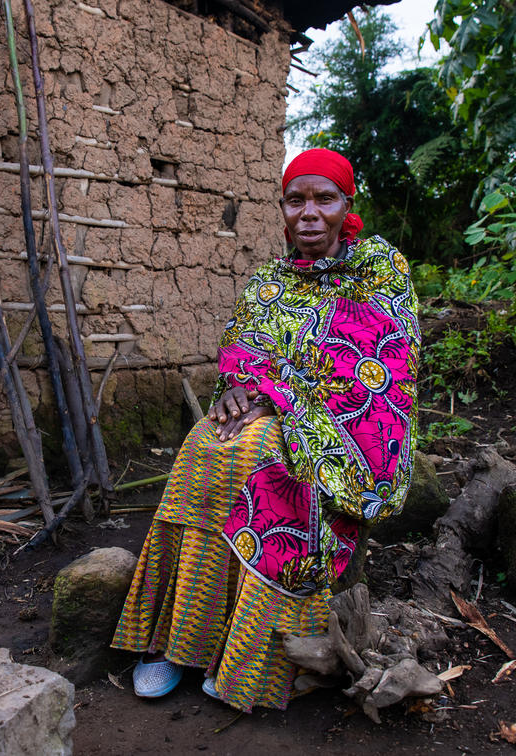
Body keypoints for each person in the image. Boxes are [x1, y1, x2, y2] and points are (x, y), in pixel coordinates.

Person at [111, 148, 420, 712]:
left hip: (342, 434)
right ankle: (178, 639)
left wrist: (278, 398)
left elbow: (378, 370)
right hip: (271, 409)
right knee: (205, 443)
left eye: (324, 199)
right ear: (282, 208)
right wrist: (238, 388)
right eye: (296, 200)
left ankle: (247, 655)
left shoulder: (380, 271)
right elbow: (245, 351)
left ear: (346, 205)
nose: (309, 213)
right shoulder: (269, 281)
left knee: (263, 456)